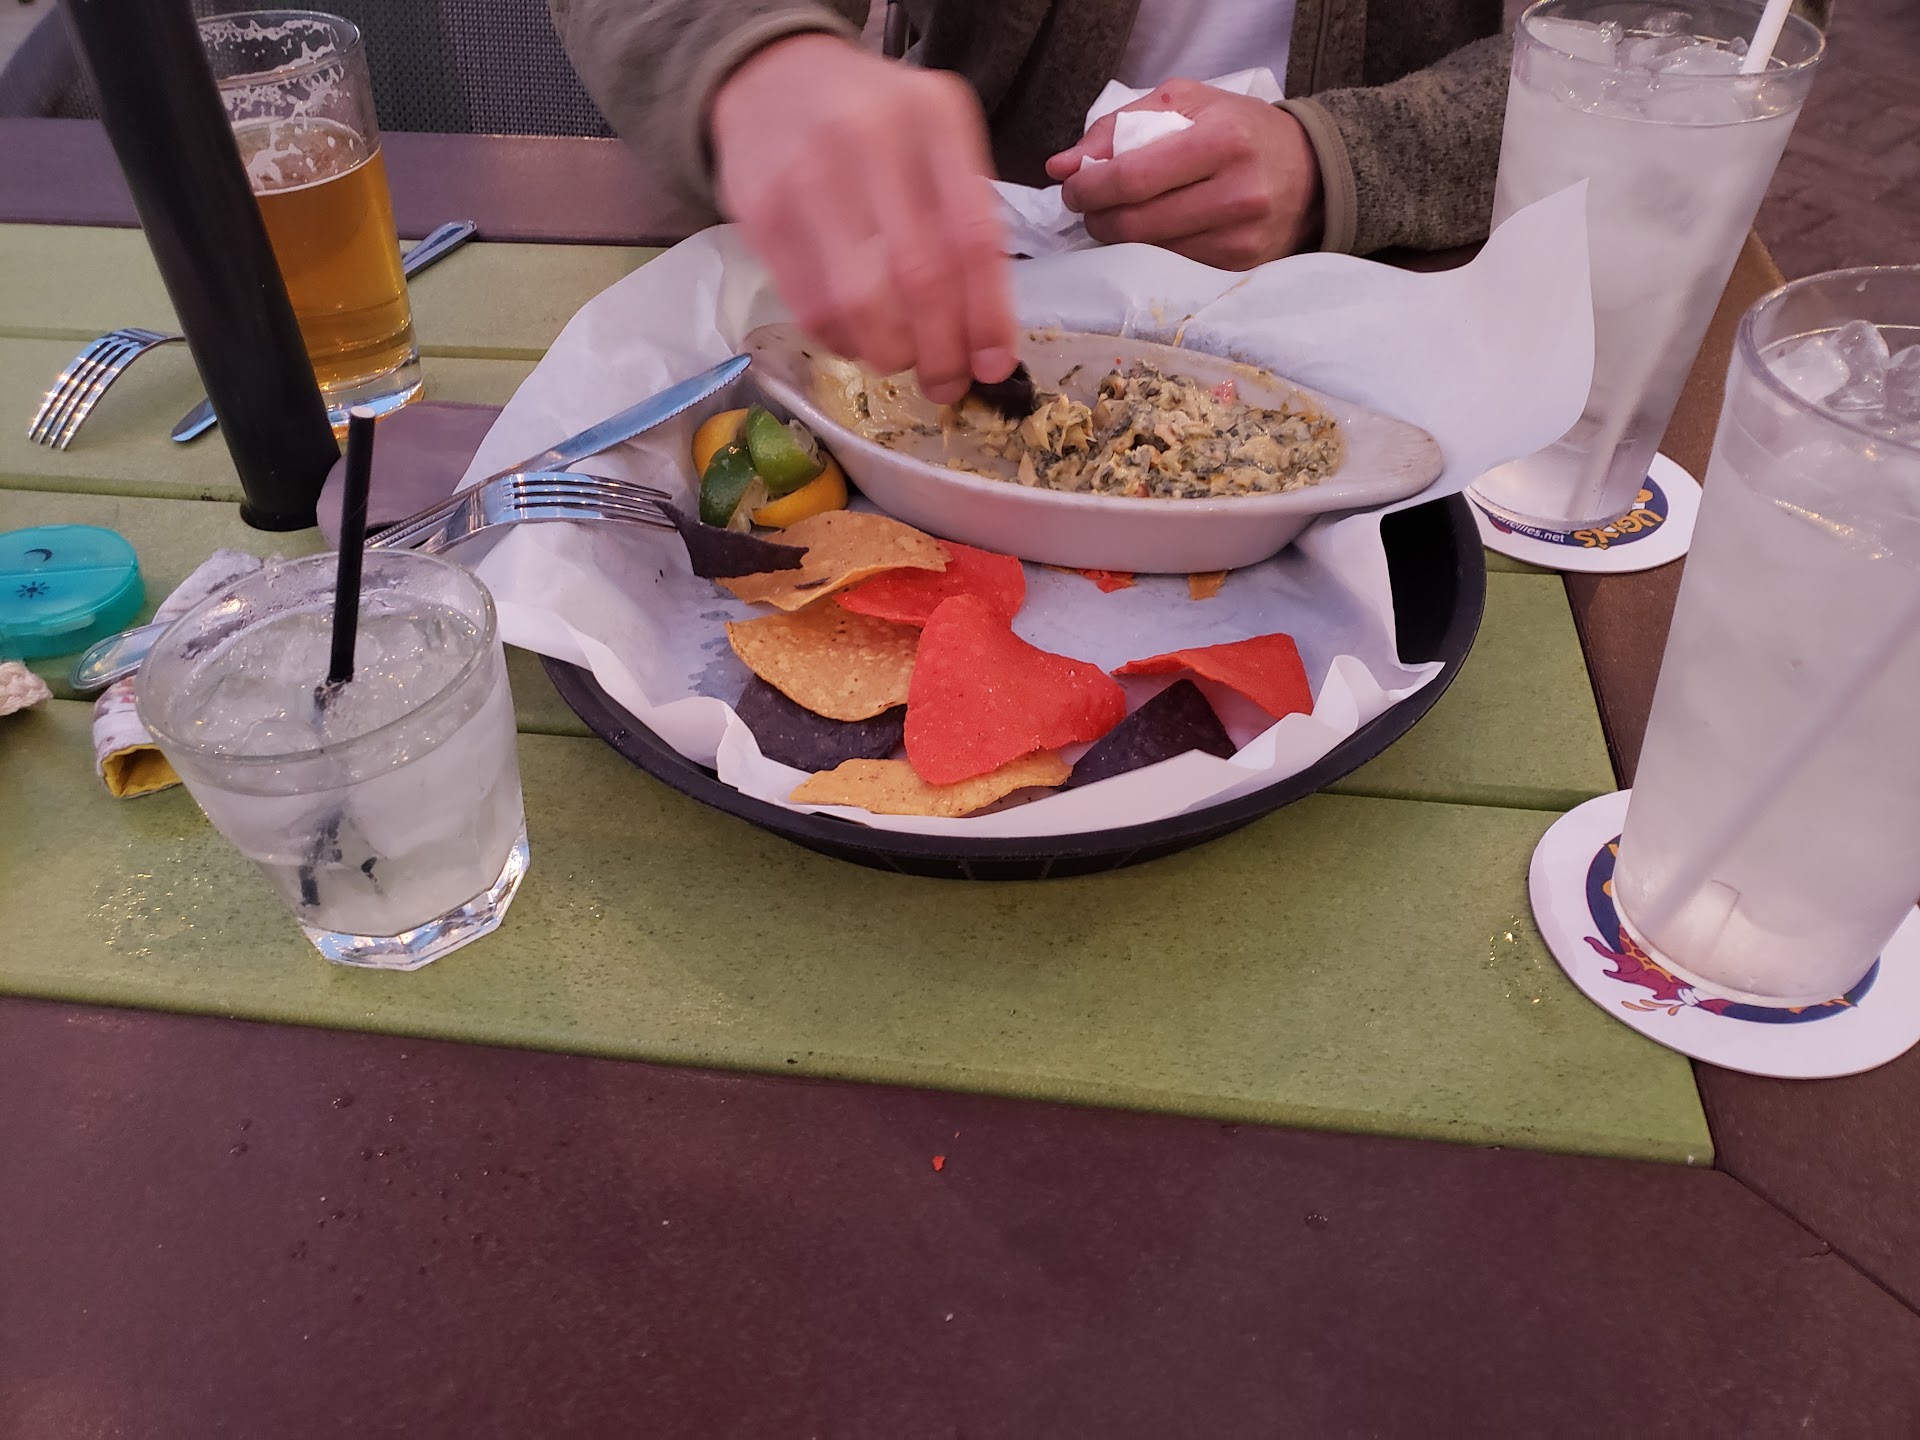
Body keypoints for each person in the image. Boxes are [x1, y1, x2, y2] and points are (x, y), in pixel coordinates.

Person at [549, 0, 1511, 402]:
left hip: (1412, 297)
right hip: (929, 274)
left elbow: (1600, 42)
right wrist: (752, 52)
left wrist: (1343, 157)